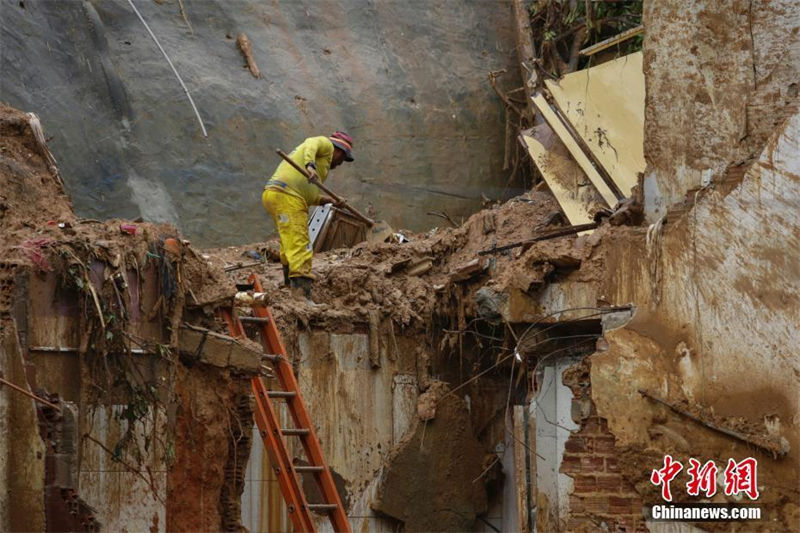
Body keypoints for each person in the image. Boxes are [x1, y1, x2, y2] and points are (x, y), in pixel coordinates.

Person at [262, 131, 354, 298]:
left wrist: (332, 200)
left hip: (275, 194)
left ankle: (289, 285)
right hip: (288, 196)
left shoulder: (317, 166)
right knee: (300, 243)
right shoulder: (325, 145)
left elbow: (309, 197)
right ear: (339, 151)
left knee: (289, 242)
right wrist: (310, 165)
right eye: (343, 159)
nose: (341, 164)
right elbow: (312, 142)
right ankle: (301, 294)